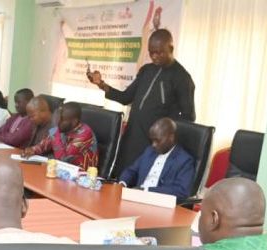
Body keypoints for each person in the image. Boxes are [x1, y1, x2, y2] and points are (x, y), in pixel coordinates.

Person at [87, 29, 195, 173]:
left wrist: (165, 138)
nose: (154, 57)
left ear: (170, 49)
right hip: (131, 139)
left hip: (154, 146)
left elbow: (188, 118)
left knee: (141, 184)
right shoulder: (146, 70)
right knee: (120, 179)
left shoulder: (182, 78)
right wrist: (101, 84)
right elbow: (126, 97)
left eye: (159, 52)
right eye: (151, 52)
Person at [118, 117, 194, 201]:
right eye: (152, 140)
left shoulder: (184, 161)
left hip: (160, 203)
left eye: (157, 140)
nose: (154, 144)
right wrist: (122, 183)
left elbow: (181, 191)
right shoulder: (149, 151)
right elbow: (132, 171)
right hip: (137, 198)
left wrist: (146, 190)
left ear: (171, 137)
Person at [22, 102, 98, 170]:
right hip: (64, 171)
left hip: (83, 176)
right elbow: (43, 145)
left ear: (74, 121)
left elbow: (63, 160)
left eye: (62, 119)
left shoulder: (84, 134)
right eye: (58, 118)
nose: (58, 122)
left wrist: (56, 134)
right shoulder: (64, 128)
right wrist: (32, 150)